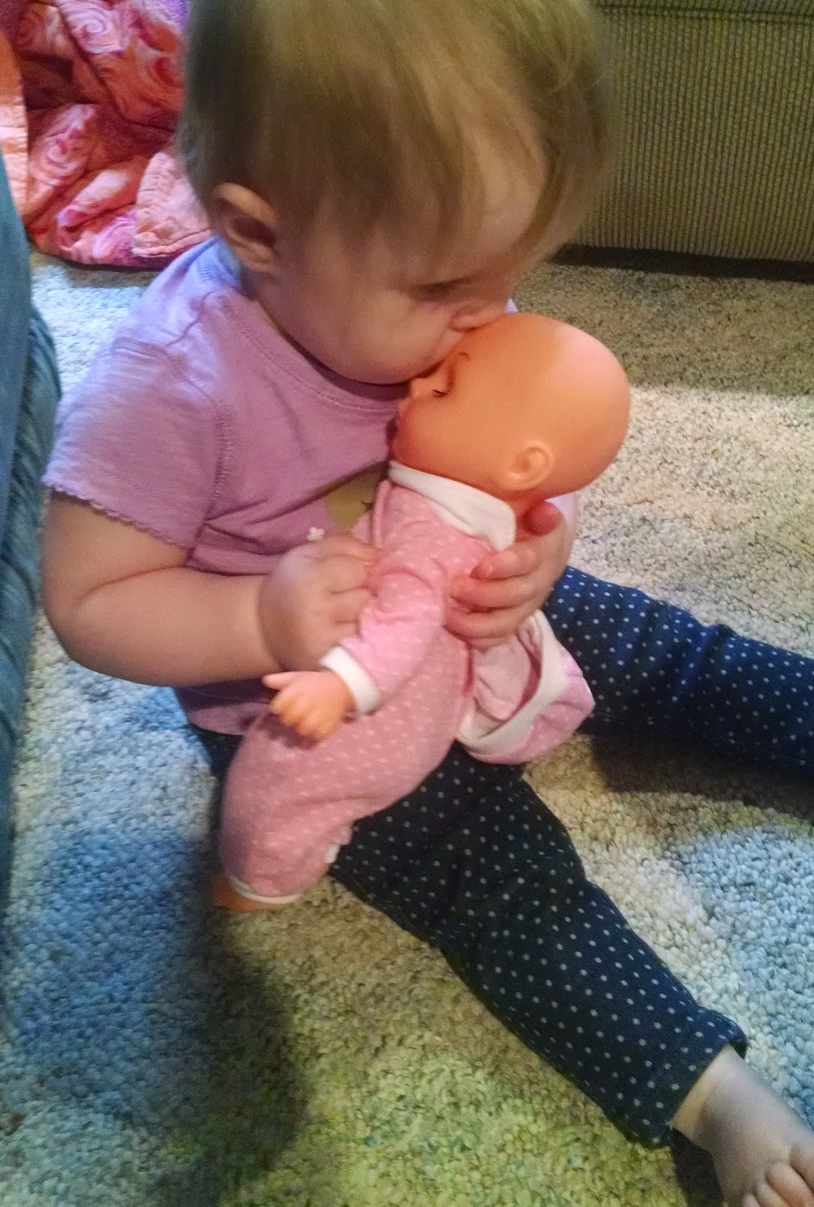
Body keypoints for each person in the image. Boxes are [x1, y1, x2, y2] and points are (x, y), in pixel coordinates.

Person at [41, 0, 814, 1207]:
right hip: (311, 705)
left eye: (509, 274)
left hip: (474, 606)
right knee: (491, 876)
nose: (484, 320)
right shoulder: (171, 384)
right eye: (444, 289)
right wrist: (256, 621)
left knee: (666, 647)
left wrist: (542, 545)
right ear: (261, 230)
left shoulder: (433, 295)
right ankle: (711, 1091)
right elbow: (88, 598)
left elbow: (511, 454)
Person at [218, 314, 627, 904]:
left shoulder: (427, 531)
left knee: (275, 784)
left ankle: (255, 884)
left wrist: (342, 684)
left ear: (520, 469)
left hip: (376, 711)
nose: (418, 384)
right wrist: (262, 619)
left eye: (444, 387)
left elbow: (404, 621)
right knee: (508, 869)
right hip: (417, 708)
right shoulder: (451, 486)